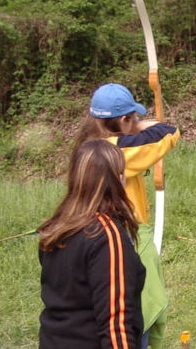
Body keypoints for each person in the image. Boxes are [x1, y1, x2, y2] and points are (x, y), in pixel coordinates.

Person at [72, 83, 180, 348]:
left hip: (97, 233)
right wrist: (138, 125)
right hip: (124, 237)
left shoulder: (89, 147)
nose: (138, 123)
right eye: (133, 118)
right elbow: (169, 132)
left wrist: (133, 123)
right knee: (137, 305)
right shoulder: (119, 150)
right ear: (122, 120)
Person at [38, 139, 146, 348]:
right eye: (122, 173)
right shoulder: (106, 235)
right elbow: (116, 324)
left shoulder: (58, 226)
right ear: (116, 180)